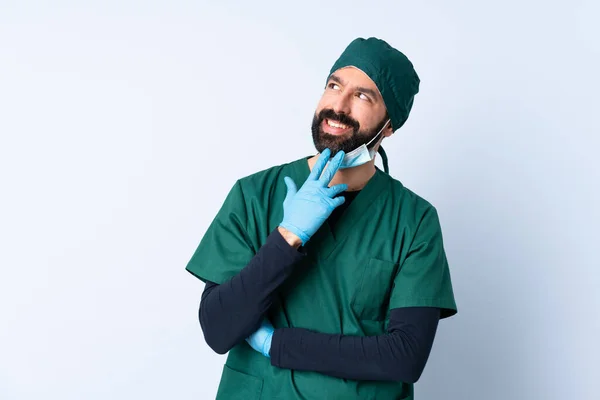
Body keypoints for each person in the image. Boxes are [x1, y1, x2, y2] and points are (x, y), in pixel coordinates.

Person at [185, 37, 457, 400]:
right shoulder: (254, 195)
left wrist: (278, 344)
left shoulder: (413, 220)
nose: (338, 106)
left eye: (363, 96)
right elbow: (219, 330)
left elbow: (405, 356)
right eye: (334, 86)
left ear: (389, 126)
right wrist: (286, 238)